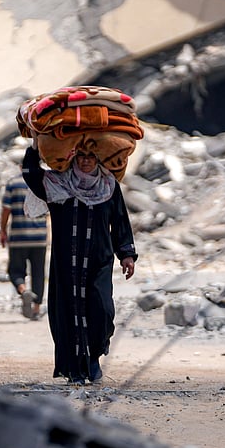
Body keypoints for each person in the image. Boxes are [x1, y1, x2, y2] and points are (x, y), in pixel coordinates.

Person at [21, 144, 137, 384]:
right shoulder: (58, 186)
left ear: (98, 159)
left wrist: (126, 254)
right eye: (81, 156)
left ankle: (93, 357)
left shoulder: (108, 187)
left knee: (102, 310)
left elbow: (120, 221)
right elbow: (31, 174)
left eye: (91, 157)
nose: (85, 161)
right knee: (68, 314)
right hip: (67, 264)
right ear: (73, 158)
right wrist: (35, 146)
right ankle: (74, 369)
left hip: (99, 262)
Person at [0, 174, 49, 319]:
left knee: (15, 271)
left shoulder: (13, 183)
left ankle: (23, 290)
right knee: (38, 273)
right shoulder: (44, 181)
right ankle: (36, 309)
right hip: (39, 237)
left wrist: (2, 230)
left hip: (19, 236)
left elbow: (6, 209)